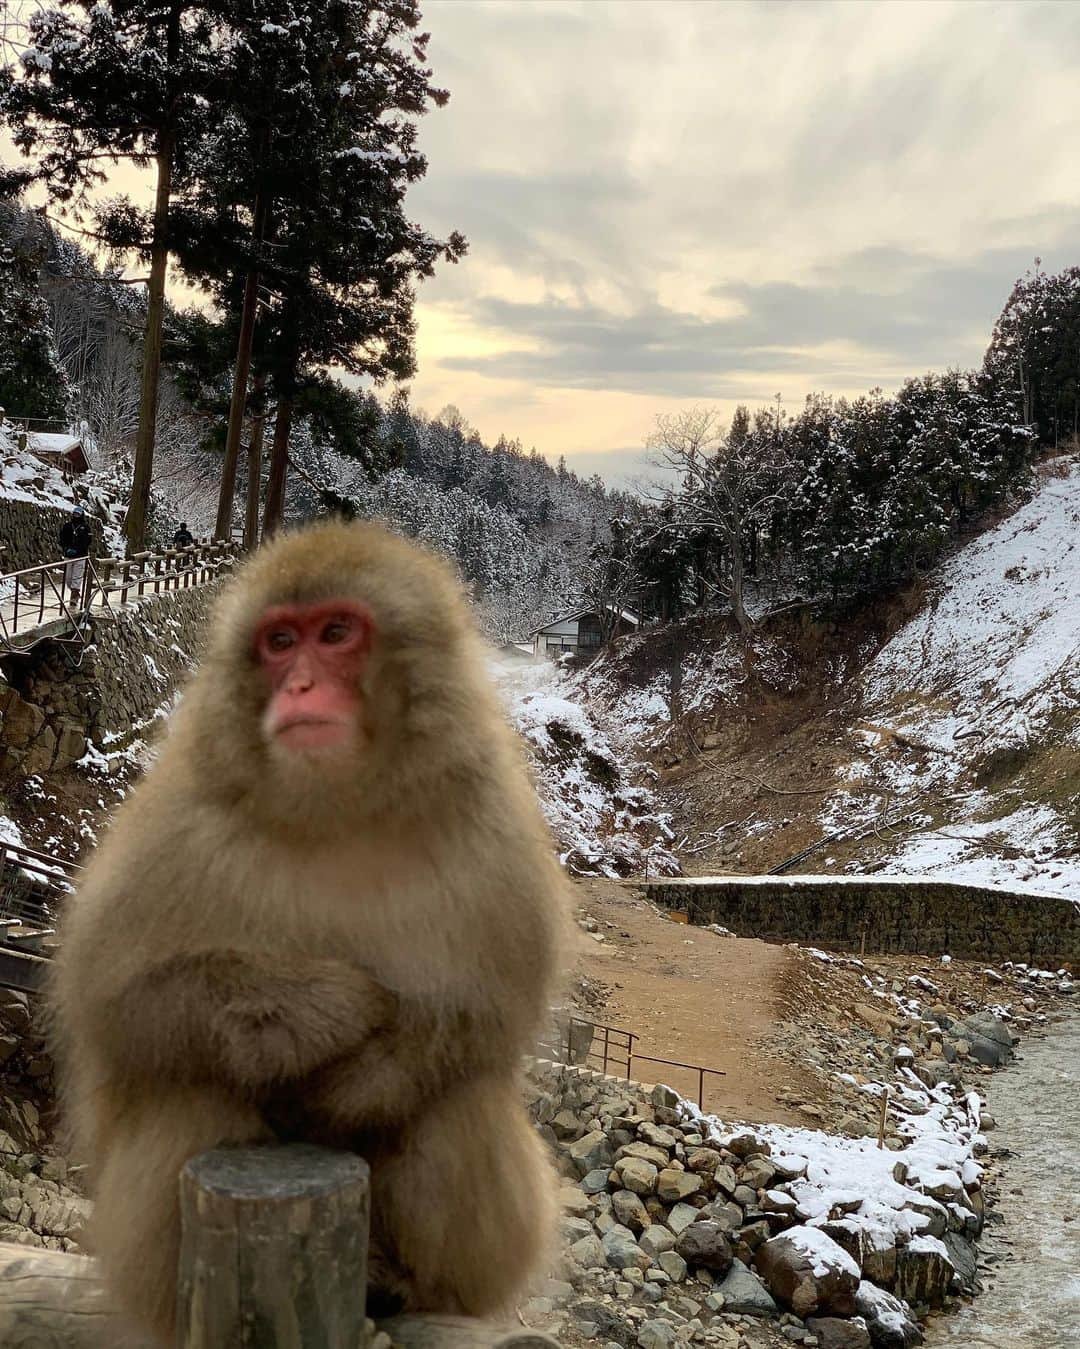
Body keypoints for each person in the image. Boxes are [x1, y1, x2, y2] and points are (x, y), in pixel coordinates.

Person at [59, 506, 91, 608]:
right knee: (68, 578)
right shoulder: (67, 526)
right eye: (75, 514)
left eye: (78, 514)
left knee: (77, 577)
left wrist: (78, 549)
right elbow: (62, 538)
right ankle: (76, 592)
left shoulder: (85, 528)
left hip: (80, 556)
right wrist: (66, 549)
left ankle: (74, 598)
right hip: (69, 556)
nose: (76, 516)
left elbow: (88, 541)